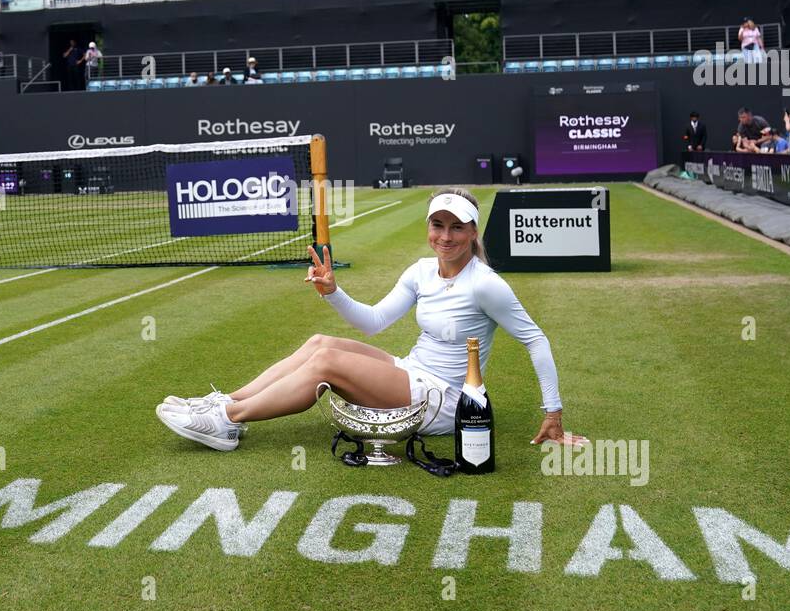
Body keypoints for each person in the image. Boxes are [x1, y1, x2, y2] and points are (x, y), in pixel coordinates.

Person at [154, 189, 585, 453]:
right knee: (320, 343)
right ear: (429, 227)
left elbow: (535, 340)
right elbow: (375, 322)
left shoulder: (486, 284)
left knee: (327, 367)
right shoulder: (421, 270)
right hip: (413, 371)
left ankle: (228, 420)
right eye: (438, 225)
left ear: (474, 232)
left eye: (458, 227)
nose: (446, 237)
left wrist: (554, 412)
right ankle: (223, 401)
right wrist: (332, 292)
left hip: (447, 401)